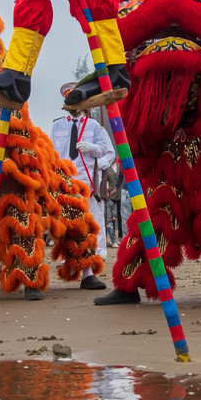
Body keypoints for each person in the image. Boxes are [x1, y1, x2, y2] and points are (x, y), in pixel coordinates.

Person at [49, 87, 115, 285]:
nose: (72, 111)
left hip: (87, 180)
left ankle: (95, 256)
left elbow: (106, 151)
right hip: (65, 180)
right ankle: (66, 257)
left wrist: (92, 150)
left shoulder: (94, 126)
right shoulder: (58, 126)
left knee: (91, 221)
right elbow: (52, 152)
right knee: (65, 222)